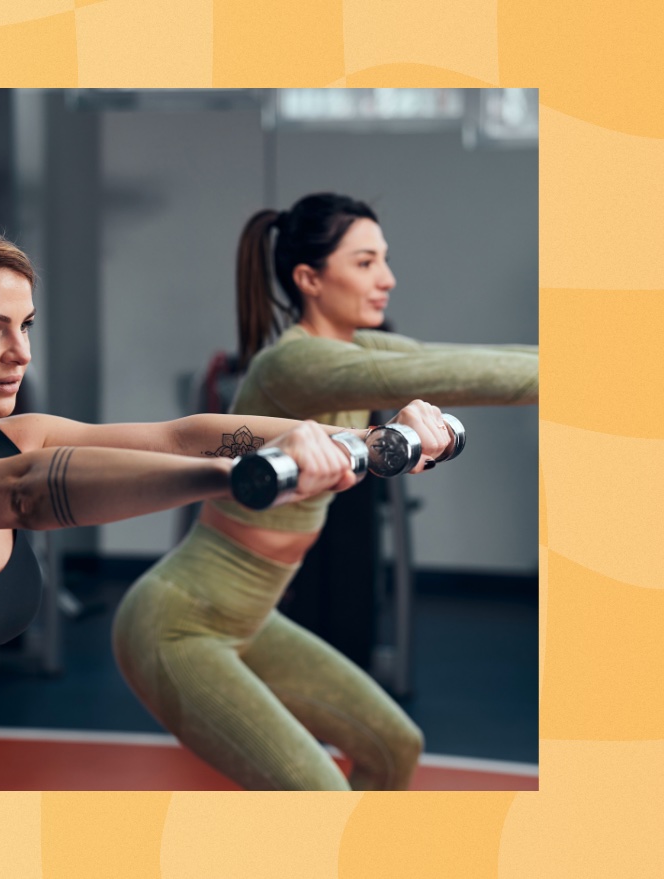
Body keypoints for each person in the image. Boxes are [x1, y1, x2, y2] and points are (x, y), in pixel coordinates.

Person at [0, 218, 427, 791]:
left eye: (24, 327)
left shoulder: (14, 437)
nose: (19, 354)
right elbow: (21, 494)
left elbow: (183, 436)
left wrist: (362, 438)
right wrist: (240, 476)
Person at [112, 193, 539, 791]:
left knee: (395, 748)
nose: (386, 278)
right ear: (310, 278)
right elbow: (442, 376)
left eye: (384, 260)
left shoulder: (354, 350)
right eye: (365, 263)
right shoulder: (294, 364)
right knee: (322, 799)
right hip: (178, 624)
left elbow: (458, 359)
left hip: (251, 620)